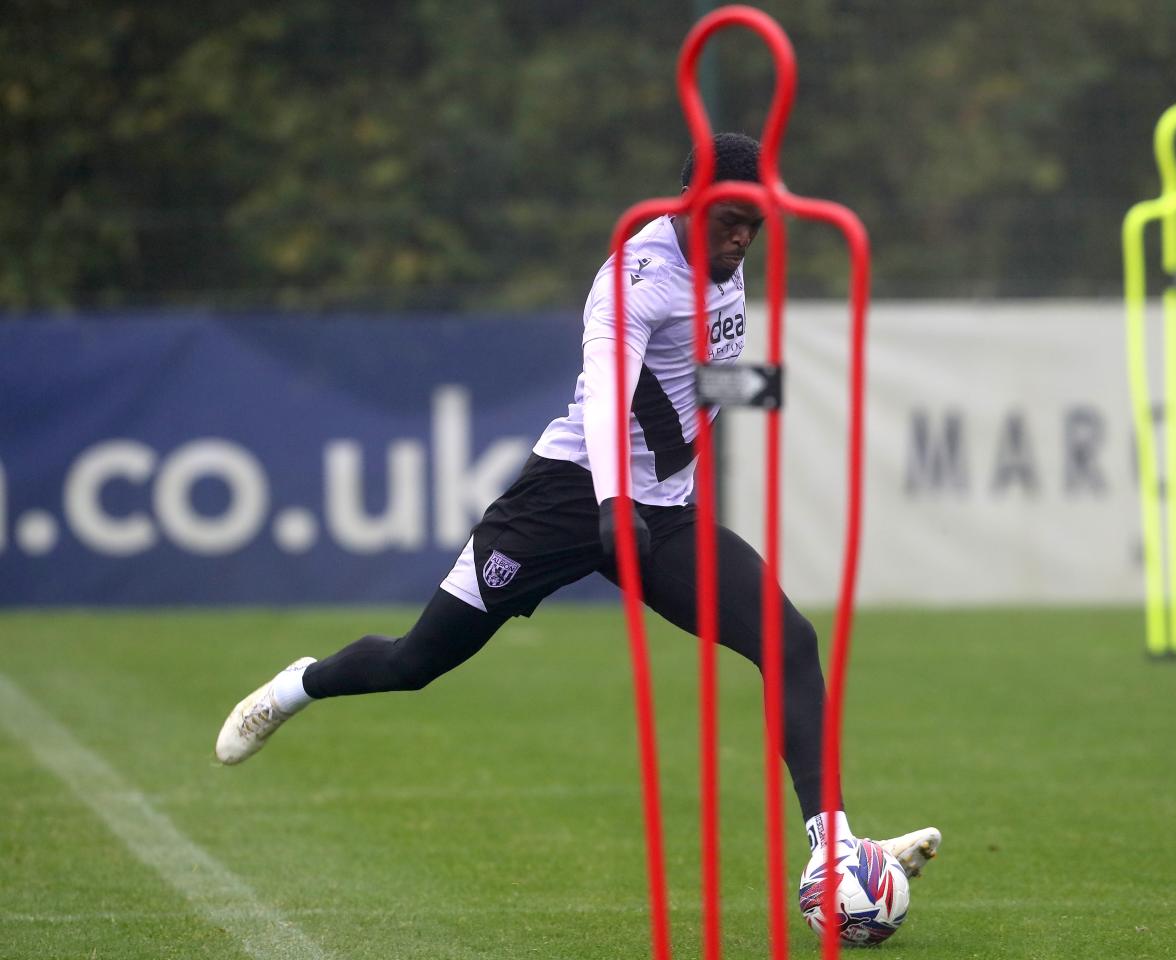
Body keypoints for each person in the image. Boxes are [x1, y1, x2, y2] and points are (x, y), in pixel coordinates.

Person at [215, 132, 940, 885]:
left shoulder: (730, 265)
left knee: (789, 641)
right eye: (729, 216)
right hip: (567, 497)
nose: (741, 234)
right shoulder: (638, 274)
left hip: (662, 515)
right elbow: (606, 389)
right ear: (689, 205)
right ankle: (294, 688)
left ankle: (834, 847)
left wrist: (769, 391)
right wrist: (611, 499)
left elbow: (692, 381)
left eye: (754, 221)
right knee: (416, 661)